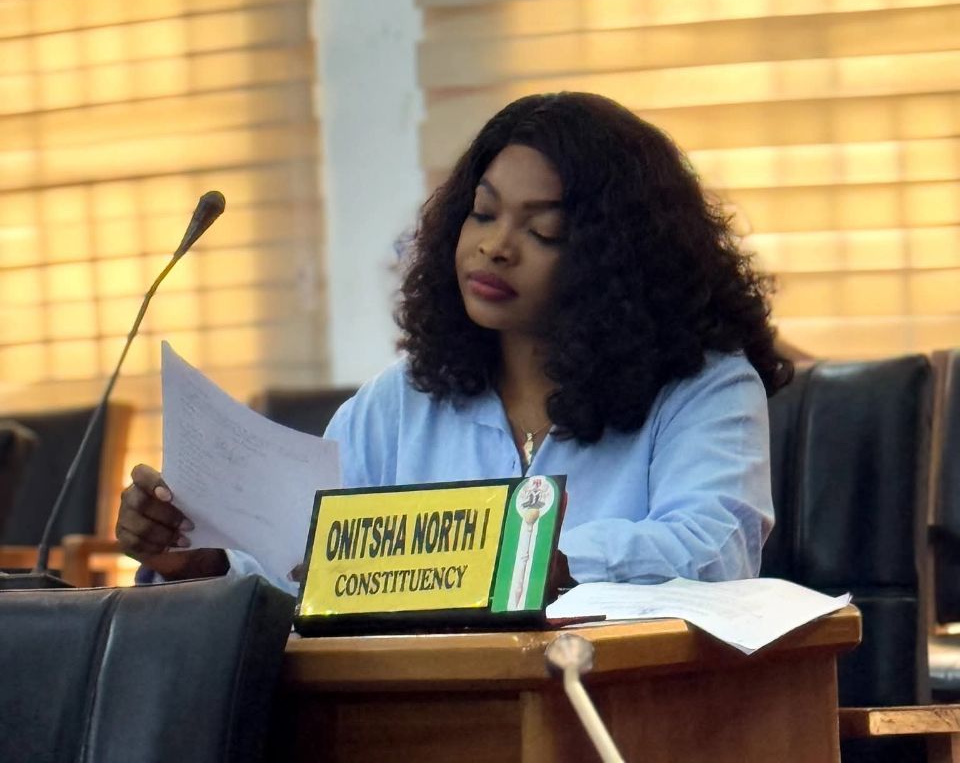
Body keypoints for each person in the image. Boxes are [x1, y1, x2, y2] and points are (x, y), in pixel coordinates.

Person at [117, 92, 791, 594]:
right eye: (484, 213)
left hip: (621, 705)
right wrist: (197, 559)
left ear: (617, 259)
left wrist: (523, 559)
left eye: (543, 231)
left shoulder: (703, 386)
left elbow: (713, 551)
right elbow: (309, 562)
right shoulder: (401, 401)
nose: (496, 246)